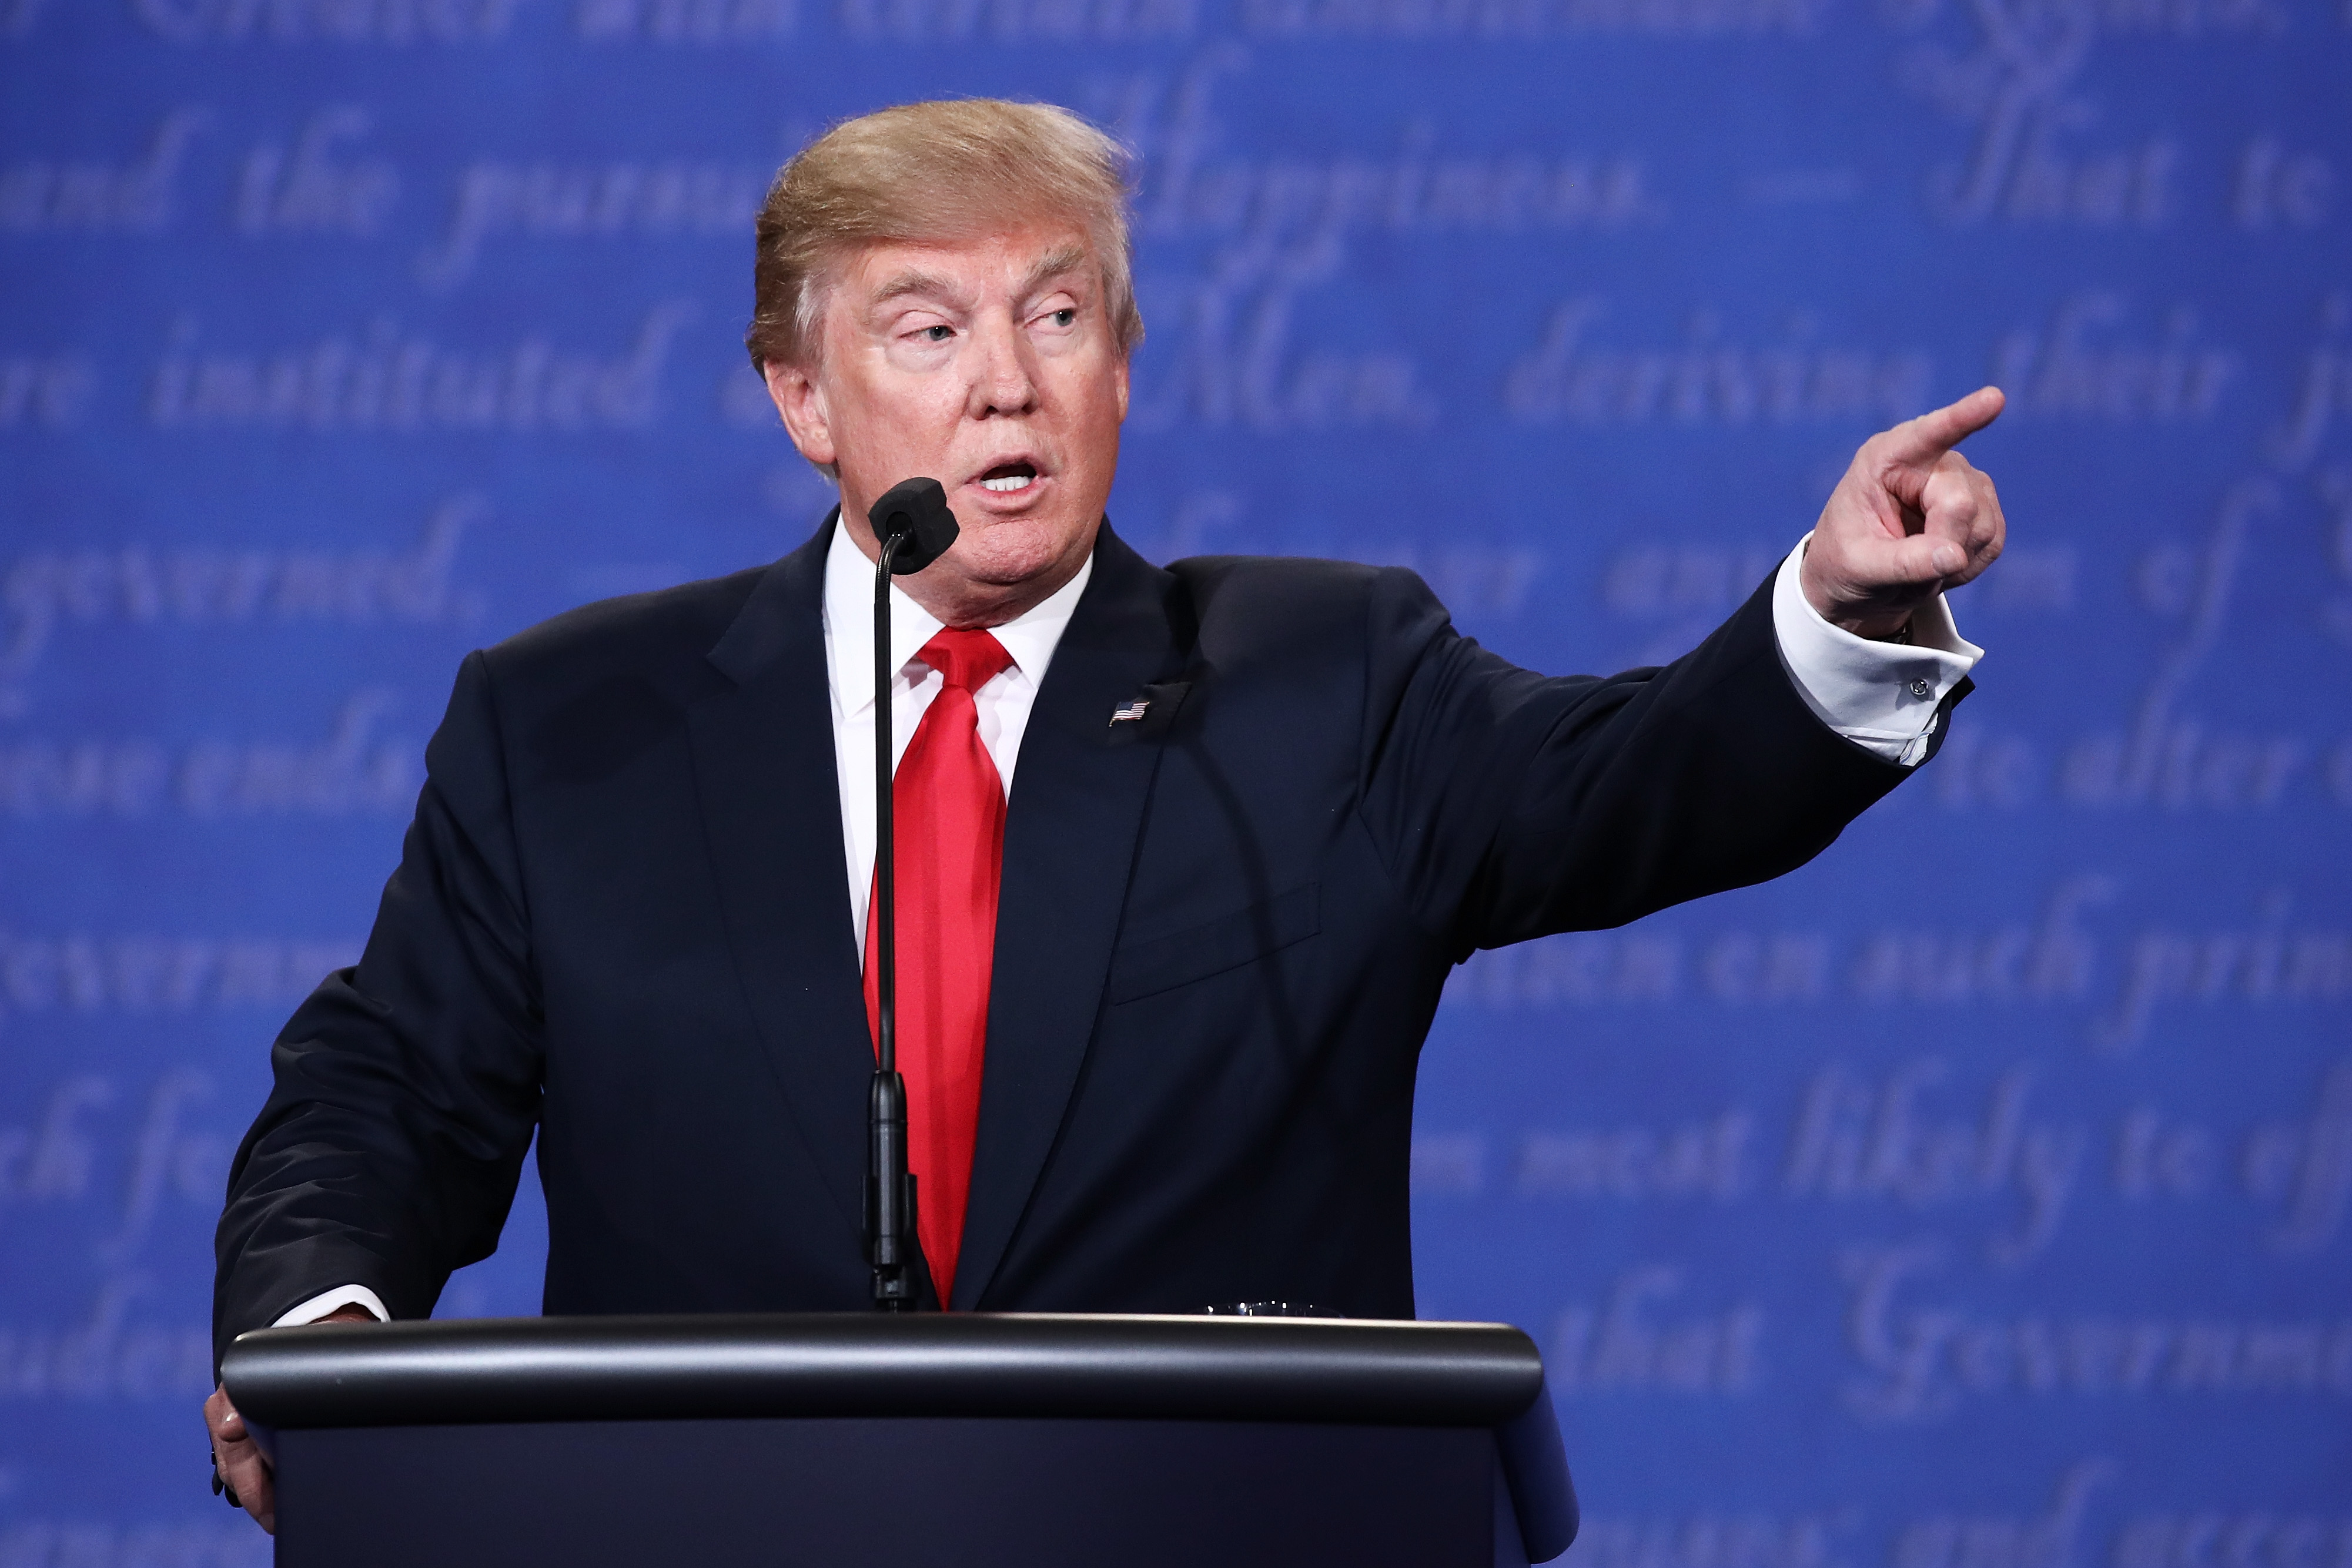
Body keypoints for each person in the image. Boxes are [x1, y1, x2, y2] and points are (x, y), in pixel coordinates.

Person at [205, 99, 2006, 1530]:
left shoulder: (1327, 678)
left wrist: (1833, 611)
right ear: (801, 398)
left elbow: (1632, 788)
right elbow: (388, 1089)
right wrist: (320, 1333)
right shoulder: (571, 721)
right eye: (929, 327)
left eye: (1056, 315)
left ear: (1119, 363)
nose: (1007, 380)